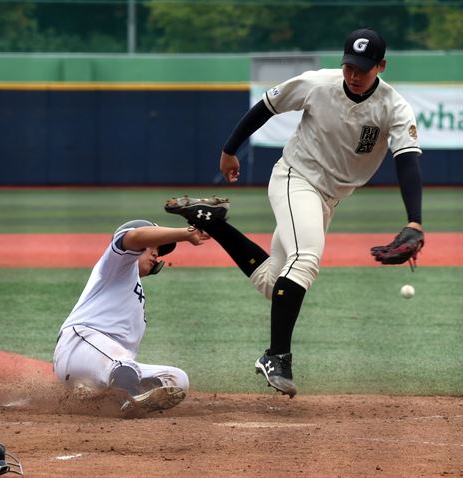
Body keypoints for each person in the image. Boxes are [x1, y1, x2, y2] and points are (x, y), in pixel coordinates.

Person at [165, 28, 423, 398]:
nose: (353, 74)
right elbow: (265, 108)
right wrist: (229, 149)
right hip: (295, 178)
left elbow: (408, 162)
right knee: (304, 260)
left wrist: (414, 220)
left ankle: (211, 222)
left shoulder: (393, 108)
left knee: (274, 284)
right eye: (349, 64)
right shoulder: (317, 84)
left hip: (329, 197)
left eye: (363, 69)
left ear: (380, 66)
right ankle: (277, 356)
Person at [53, 220, 210, 417]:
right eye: (151, 247)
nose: (155, 253)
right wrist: (186, 233)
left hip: (103, 366)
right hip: (79, 346)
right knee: (123, 363)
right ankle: (131, 401)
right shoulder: (114, 265)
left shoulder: (132, 284)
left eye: (158, 250)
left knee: (177, 379)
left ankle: (100, 397)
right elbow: (134, 237)